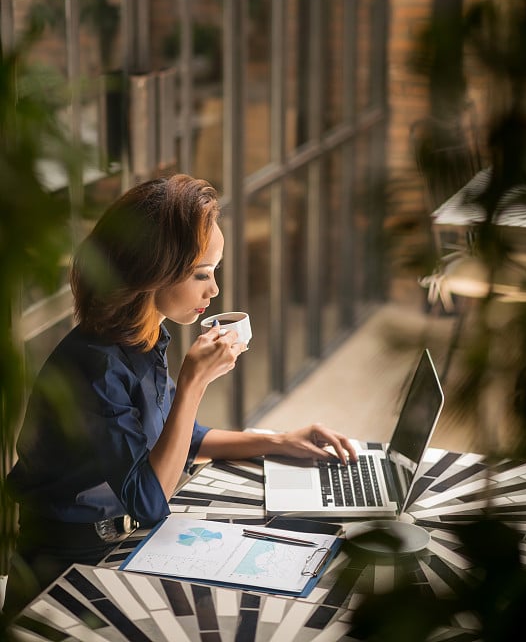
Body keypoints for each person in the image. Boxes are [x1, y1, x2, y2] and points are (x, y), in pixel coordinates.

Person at [4, 173, 355, 619]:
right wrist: (193, 382)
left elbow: (181, 436)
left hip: (121, 542)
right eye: (200, 274)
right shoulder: (95, 365)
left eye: (215, 272)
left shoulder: (145, 335)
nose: (214, 291)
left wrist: (276, 441)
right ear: (152, 271)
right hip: (67, 566)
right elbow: (150, 500)